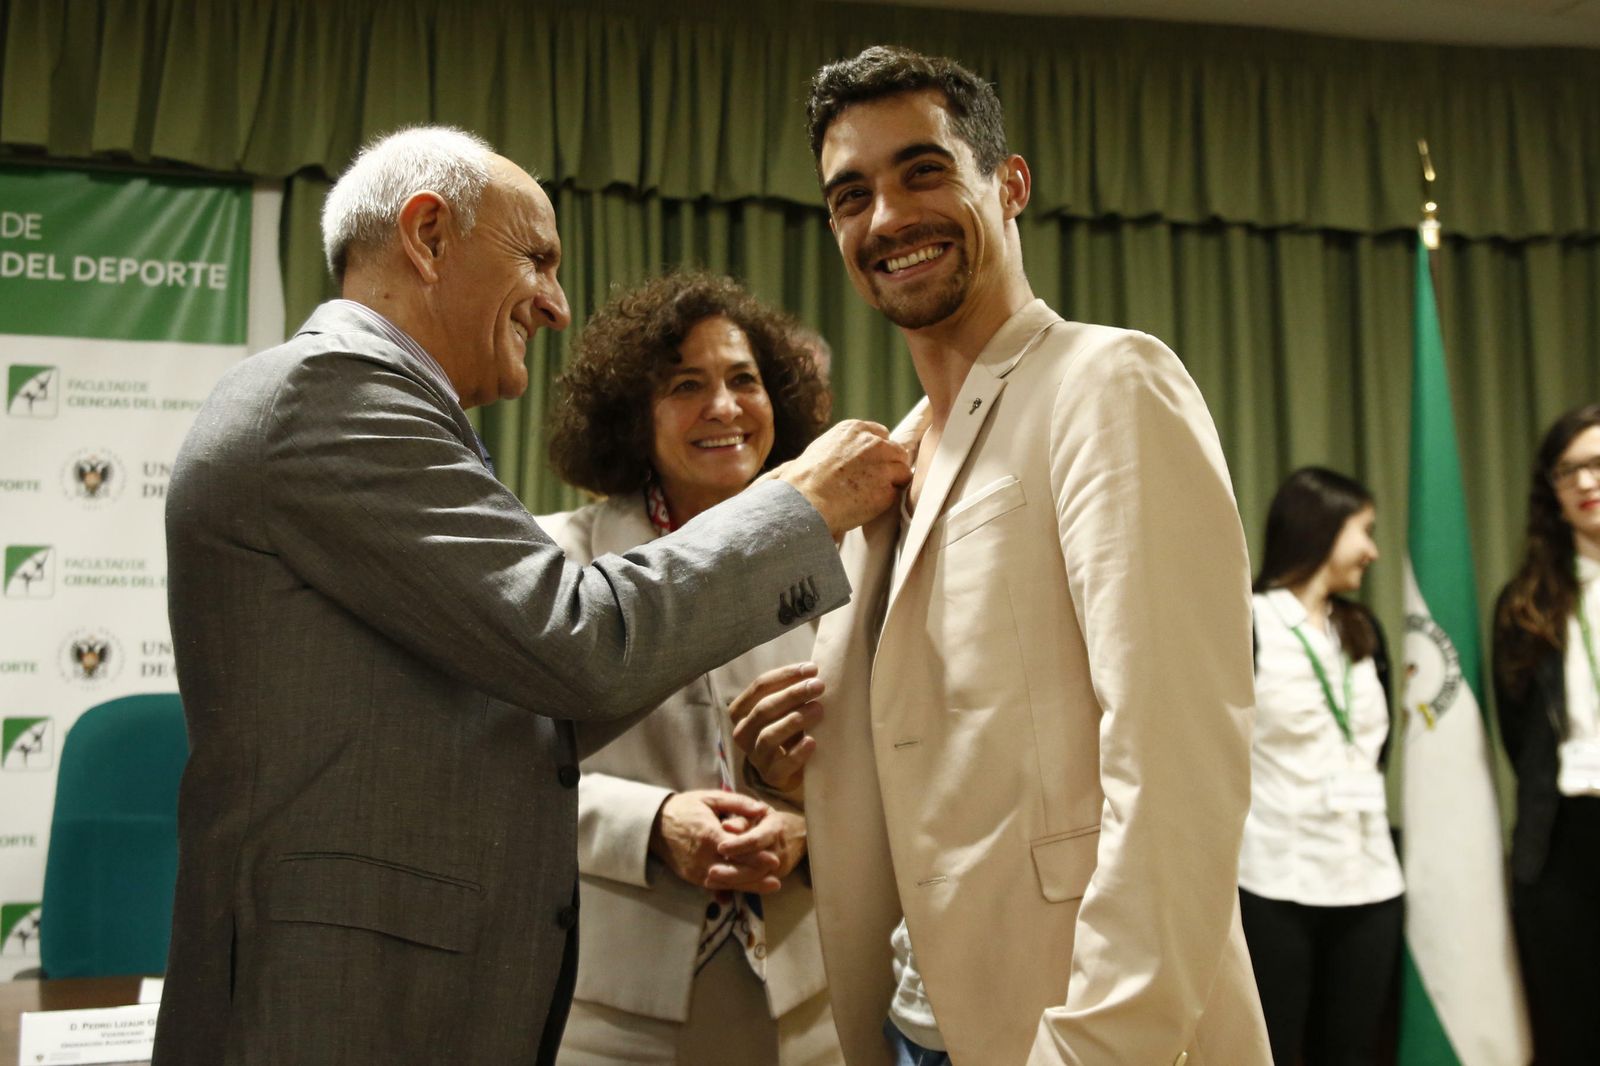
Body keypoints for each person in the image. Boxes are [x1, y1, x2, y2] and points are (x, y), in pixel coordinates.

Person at [153, 126, 909, 1066]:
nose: (556, 305)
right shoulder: (336, 391)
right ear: (428, 236)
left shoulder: (373, 406)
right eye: (537, 260)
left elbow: (505, 716)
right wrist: (800, 506)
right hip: (341, 1001)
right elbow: (579, 646)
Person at [730, 46, 1270, 1066]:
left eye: (922, 172)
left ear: (1009, 183)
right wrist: (799, 777)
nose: (887, 217)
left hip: (1074, 1025)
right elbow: (948, 761)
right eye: (852, 196)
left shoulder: (1108, 382)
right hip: (911, 1020)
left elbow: (1177, 759)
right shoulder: (887, 465)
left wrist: (1099, 1041)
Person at [538, 272, 843, 1066]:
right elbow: (503, 771)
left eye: (744, 380)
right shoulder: (555, 562)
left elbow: (898, 763)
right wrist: (650, 824)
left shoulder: (840, 564)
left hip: (813, 1003)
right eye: (685, 386)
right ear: (630, 414)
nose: (724, 407)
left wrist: (809, 829)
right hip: (612, 1014)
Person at [1240, 468, 1403, 1065]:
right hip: (1275, 878)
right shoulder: (1249, 622)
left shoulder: (1361, 628)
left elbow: (1378, 747)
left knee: (1355, 1049)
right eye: (1364, 531)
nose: (1373, 551)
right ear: (1320, 529)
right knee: (1273, 1049)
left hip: (1370, 876)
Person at [1493, 403, 1600, 1066]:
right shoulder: (1526, 604)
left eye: (1597, 464)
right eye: (1568, 471)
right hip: (1563, 841)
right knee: (1571, 1031)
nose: (1585, 482)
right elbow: (1519, 735)